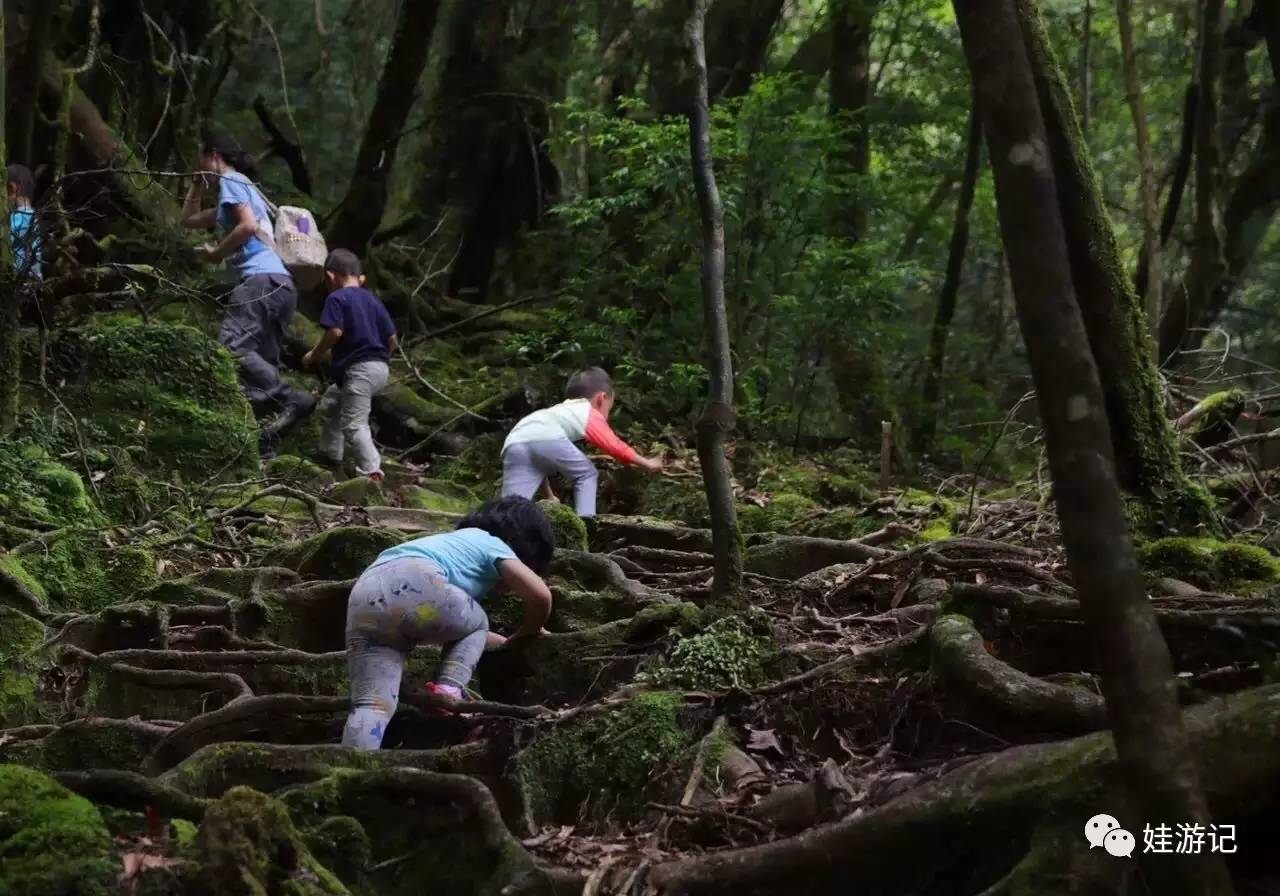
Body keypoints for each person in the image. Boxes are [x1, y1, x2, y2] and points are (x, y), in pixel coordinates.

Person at [342, 496, 555, 750]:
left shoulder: (450, 546)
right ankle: (448, 690)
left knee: (372, 705)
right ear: (521, 543)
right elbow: (541, 597)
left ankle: (352, 769)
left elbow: (459, 628)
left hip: (365, 595)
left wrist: (505, 641)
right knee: (478, 620)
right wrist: (527, 634)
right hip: (415, 580)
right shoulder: (493, 543)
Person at [181, 133, 315, 458]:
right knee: (259, 366)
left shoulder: (232, 180)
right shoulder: (241, 192)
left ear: (213, 155)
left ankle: (291, 397)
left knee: (233, 347)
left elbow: (246, 227)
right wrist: (196, 185)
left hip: (259, 281)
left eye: (202, 159)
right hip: (281, 286)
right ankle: (263, 446)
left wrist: (215, 254)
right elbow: (187, 220)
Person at [501, 367, 664, 518]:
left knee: (510, 508)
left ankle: (496, 535)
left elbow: (537, 459)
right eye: (609, 408)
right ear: (602, 398)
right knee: (586, 474)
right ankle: (586, 524)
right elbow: (614, 446)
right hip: (543, 439)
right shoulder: (587, 411)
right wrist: (648, 464)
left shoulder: (555, 413)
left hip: (514, 442)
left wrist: (548, 496)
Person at [303, 249, 396, 481]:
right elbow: (392, 339)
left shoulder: (336, 298)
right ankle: (330, 454)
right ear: (360, 278)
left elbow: (335, 332)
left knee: (354, 424)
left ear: (330, 277)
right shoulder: (373, 300)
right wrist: (381, 359)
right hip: (378, 369)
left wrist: (314, 354)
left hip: (359, 370)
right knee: (330, 406)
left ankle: (372, 471)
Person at [7, 164, 42, 281]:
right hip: (29, 279)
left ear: (12, 188)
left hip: (19, 281)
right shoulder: (32, 215)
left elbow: (7, 238)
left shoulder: (21, 217)